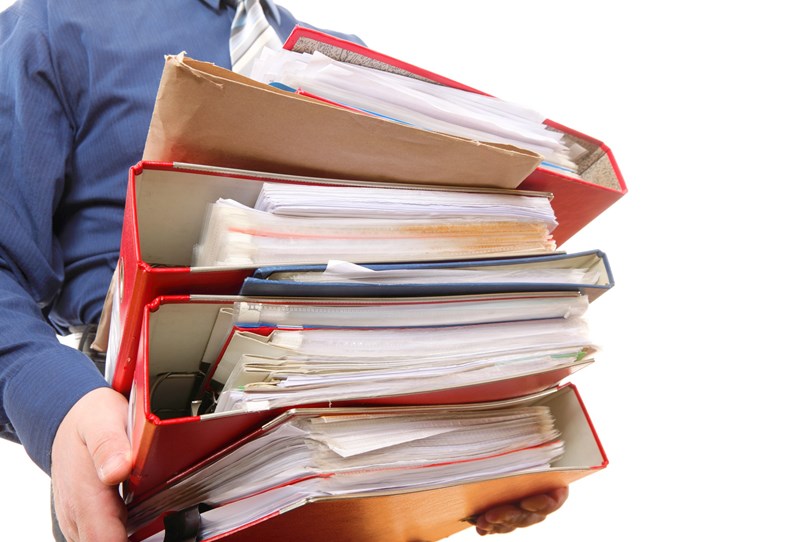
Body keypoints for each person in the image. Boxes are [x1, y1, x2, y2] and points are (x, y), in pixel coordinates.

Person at [0, 0, 568, 539]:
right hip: (144, 421)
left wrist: (470, 454)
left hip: (353, 417)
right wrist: (55, 401)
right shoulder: (58, 20)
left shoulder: (344, 67)